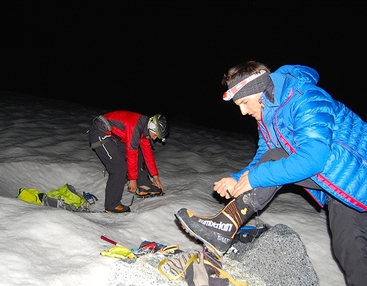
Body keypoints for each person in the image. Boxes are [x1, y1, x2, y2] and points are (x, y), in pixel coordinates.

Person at [175, 61, 367, 285]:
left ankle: (226, 226)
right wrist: (237, 179)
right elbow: (264, 157)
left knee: (275, 160)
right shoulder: (267, 114)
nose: (243, 111)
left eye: (244, 103)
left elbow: (314, 158)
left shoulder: (306, 97)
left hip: (357, 175)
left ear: (259, 89)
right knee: (349, 250)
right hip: (341, 191)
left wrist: (255, 178)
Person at [89, 110, 169, 213]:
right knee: (119, 167)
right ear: (151, 127)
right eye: (156, 135)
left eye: (158, 137)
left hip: (113, 136)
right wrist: (132, 179)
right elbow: (131, 153)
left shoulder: (144, 129)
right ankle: (112, 205)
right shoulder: (135, 126)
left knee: (140, 152)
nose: (155, 138)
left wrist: (155, 176)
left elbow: (147, 153)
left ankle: (143, 184)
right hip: (99, 132)